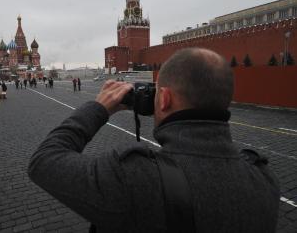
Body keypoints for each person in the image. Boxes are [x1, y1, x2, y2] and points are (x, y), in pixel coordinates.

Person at [28, 48, 279, 232]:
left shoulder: (136, 178)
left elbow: (44, 161)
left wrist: (98, 108)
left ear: (165, 99)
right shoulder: (264, 179)